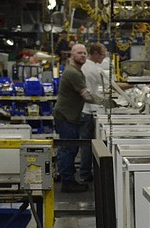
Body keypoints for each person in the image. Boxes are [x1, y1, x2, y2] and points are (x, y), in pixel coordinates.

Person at [53, 43, 102, 193]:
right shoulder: (73, 73)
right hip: (66, 116)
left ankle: (67, 178)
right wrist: (105, 102)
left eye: (84, 53)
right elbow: (86, 95)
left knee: (68, 148)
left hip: (68, 116)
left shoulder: (75, 71)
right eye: (79, 53)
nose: (82, 55)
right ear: (72, 55)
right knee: (69, 148)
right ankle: (68, 182)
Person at [78, 42, 108, 183]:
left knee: (86, 144)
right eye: (103, 54)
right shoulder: (93, 69)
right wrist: (133, 83)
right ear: (95, 54)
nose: (104, 57)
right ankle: (85, 174)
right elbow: (110, 85)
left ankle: (85, 172)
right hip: (88, 110)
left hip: (84, 109)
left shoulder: (85, 66)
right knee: (87, 144)